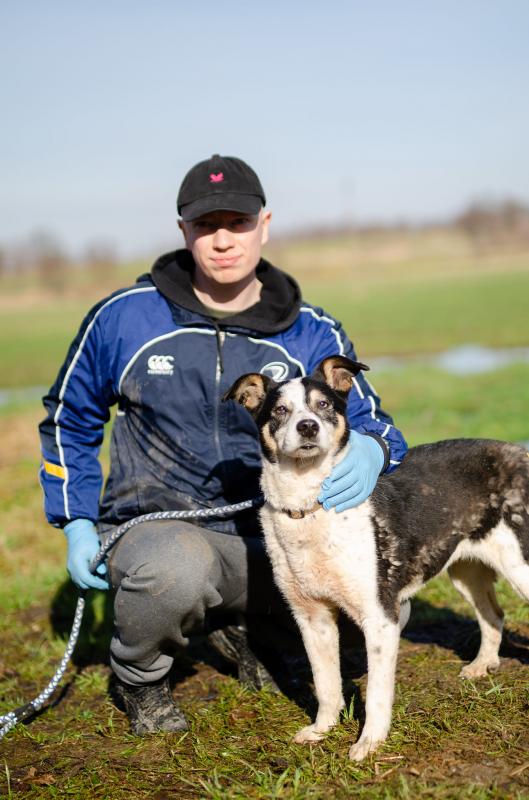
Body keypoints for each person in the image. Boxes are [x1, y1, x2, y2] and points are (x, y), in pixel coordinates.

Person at [39, 154, 408, 735]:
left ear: (265, 224)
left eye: (238, 223)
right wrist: (77, 520)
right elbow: (69, 418)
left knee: (388, 603)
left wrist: (374, 451)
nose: (222, 240)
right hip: (161, 531)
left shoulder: (312, 330)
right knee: (175, 571)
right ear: (183, 230)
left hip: (275, 532)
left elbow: (377, 424)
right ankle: (139, 677)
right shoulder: (123, 319)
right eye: (205, 225)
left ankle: (248, 630)